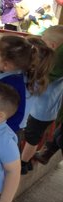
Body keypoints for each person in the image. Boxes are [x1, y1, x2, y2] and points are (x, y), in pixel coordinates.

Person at [0, 35, 52, 134]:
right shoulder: (16, 77)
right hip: (9, 129)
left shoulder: (8, 84)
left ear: (6, 64)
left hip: (1, 131)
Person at [32, 26, 63, 166]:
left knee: (33, 135)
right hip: (52, 109)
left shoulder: (58, 55)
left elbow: (49, 75)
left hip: (43, 110)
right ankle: (48, 151)